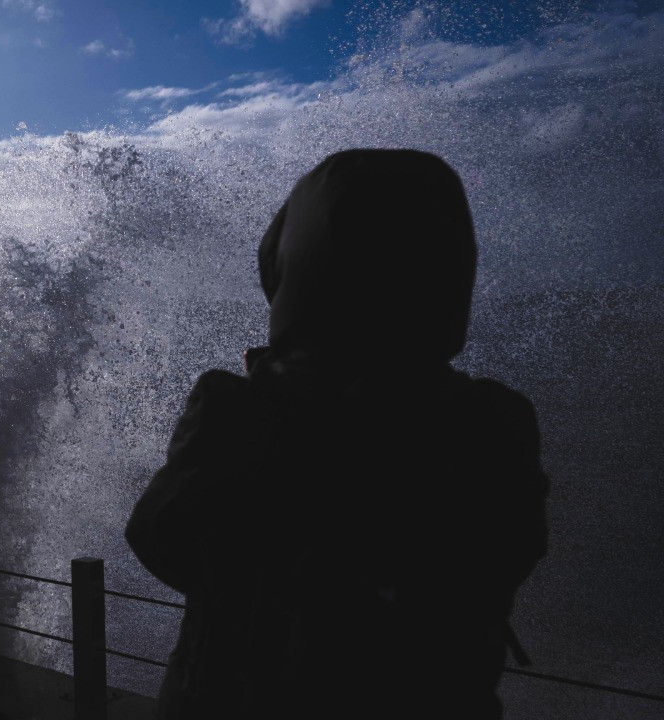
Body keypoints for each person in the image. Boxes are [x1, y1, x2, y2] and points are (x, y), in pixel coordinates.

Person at [124, 149, 549, 719]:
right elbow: (512, 552)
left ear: (296, 266)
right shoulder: (494, 421)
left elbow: (161, 538)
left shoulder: (238, 409)